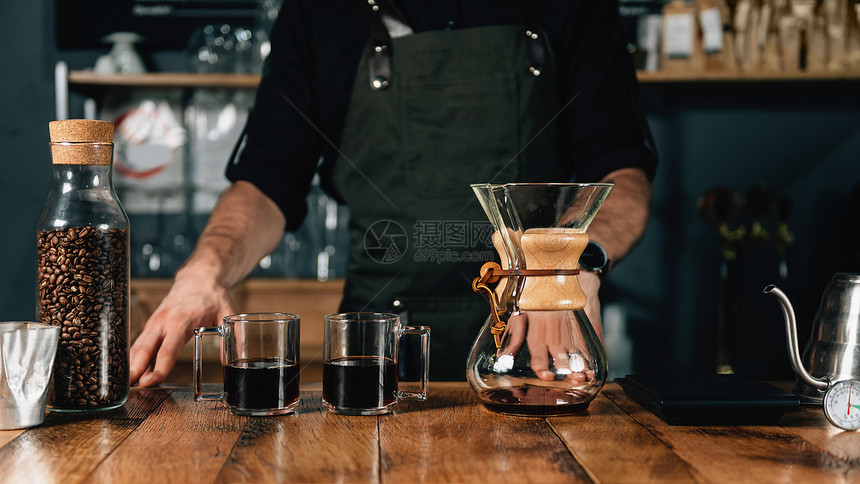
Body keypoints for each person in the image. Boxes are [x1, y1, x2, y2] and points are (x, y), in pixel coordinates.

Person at [130, 0, 657, 386]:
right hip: (375, 356)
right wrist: (204, 271)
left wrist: (569, 266)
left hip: (539, 348)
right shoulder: (320, 13)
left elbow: (623, 175)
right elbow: (267, 181)